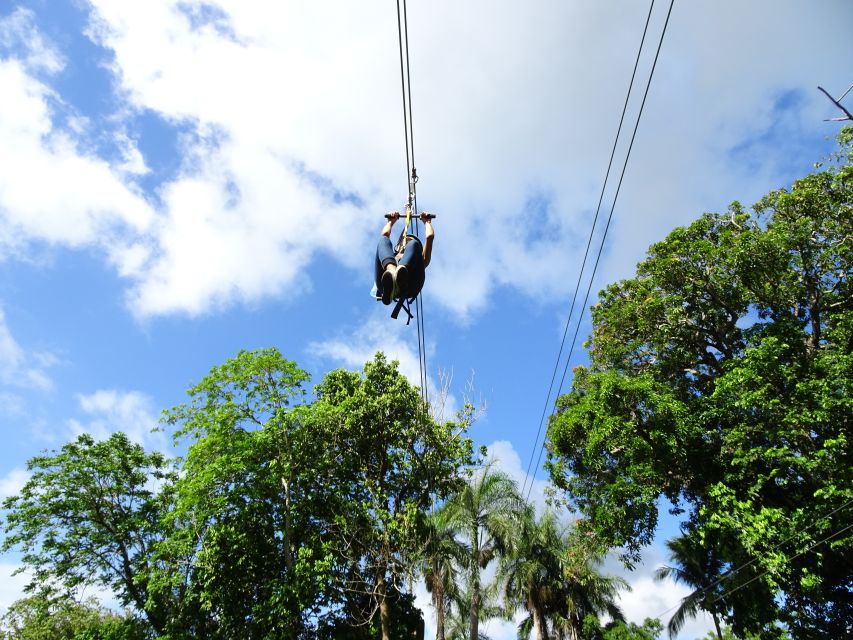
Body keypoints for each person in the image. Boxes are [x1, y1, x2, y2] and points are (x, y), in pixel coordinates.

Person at [374, 210, 434, 305]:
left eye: (409, 240)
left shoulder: (421, 259)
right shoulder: (392, 256)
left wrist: (427, 222)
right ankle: (392, 273)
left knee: (414, 244)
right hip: (384, 286)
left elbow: (430, 237)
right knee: (383, 240)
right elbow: (385, 235)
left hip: (410, 286)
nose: (407, 241)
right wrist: (391, 221)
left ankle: (401, 275)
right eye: (406, 240)